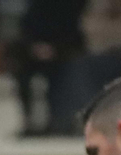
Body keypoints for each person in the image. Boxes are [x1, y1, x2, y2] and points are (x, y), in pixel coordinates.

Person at [14, 0, 89, 137]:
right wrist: (35, 47)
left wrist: (55, 49)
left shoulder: (70, 4)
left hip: (64, 52)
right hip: (35, 52)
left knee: (61, 74)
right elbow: (26, 27)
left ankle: (59, 121)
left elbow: (74, 31)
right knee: (23, 75)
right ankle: (29, 121)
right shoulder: (37, 5)